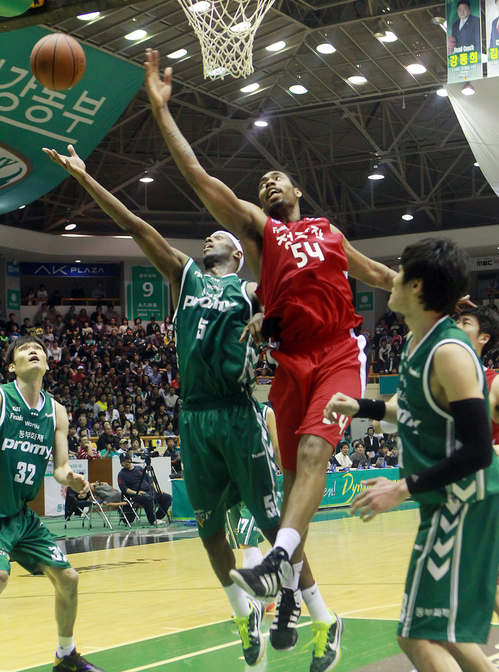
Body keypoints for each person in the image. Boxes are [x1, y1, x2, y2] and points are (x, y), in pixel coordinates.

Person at [139, 50, 396, 667]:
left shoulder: (330, 233)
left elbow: (386, 275)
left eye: (276, 179)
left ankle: (279, 565)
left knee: (311, 456)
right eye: (261, 184)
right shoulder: (262, 233)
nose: (267, 185)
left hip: (335, 351)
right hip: (287, 364)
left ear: (299, 189)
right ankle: (301, 603)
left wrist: (441, 298)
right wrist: (161, 109)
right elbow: (201, 178)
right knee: (290, 497)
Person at [43, 144, 307, 668]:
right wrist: (85, 177)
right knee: (210, 536)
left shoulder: (253, 290)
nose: (208, 237)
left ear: (236, 253)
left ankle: (295, 602)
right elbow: (137, 225)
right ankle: (242, 614)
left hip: (237, 412)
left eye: (219, 236)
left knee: (278, 527)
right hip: (192, 417)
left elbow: (296, 307)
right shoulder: (184, 276)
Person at [324, 238, 499, 672]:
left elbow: (478, 451)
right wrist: (362, 407)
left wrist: (403, 487)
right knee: (439, 633)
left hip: (462, 504)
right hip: (442, 503)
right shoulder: (415, 343)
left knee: (416, 634)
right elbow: (416, 410)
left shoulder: (450, 353)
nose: (392, 278)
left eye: (400, 272)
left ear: (417, 287)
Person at [0, 335, 106, 672]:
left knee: (69, 579)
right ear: (11, 367)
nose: (33, 351)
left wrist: (71, 478)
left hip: (20, 515)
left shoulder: (56, 411)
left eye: (39, 350)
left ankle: (65, 655)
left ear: (47, 363)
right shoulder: (2, 400)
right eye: (23, 350)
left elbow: (59, 468)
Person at [455, 306, 499, 618]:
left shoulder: (493, 382)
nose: (457, 326)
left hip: (488, 492)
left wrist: (489, 450)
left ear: (484, 337)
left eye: (464, 322)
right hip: (454, 493)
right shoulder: (444, 376)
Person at [117, 453, 171, 524]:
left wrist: (157, 490)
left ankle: (157, 516)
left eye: (128, 460)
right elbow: (123, 488)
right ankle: (152, 520)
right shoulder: (121, 474)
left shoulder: (139, 468)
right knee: (148, 498)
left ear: (131, 460)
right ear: (121, 463)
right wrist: (136, 493)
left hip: (149, 491)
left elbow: (150, 479)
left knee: (168, 497)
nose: (127, 462)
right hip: (137, 495)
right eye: (124, 461)